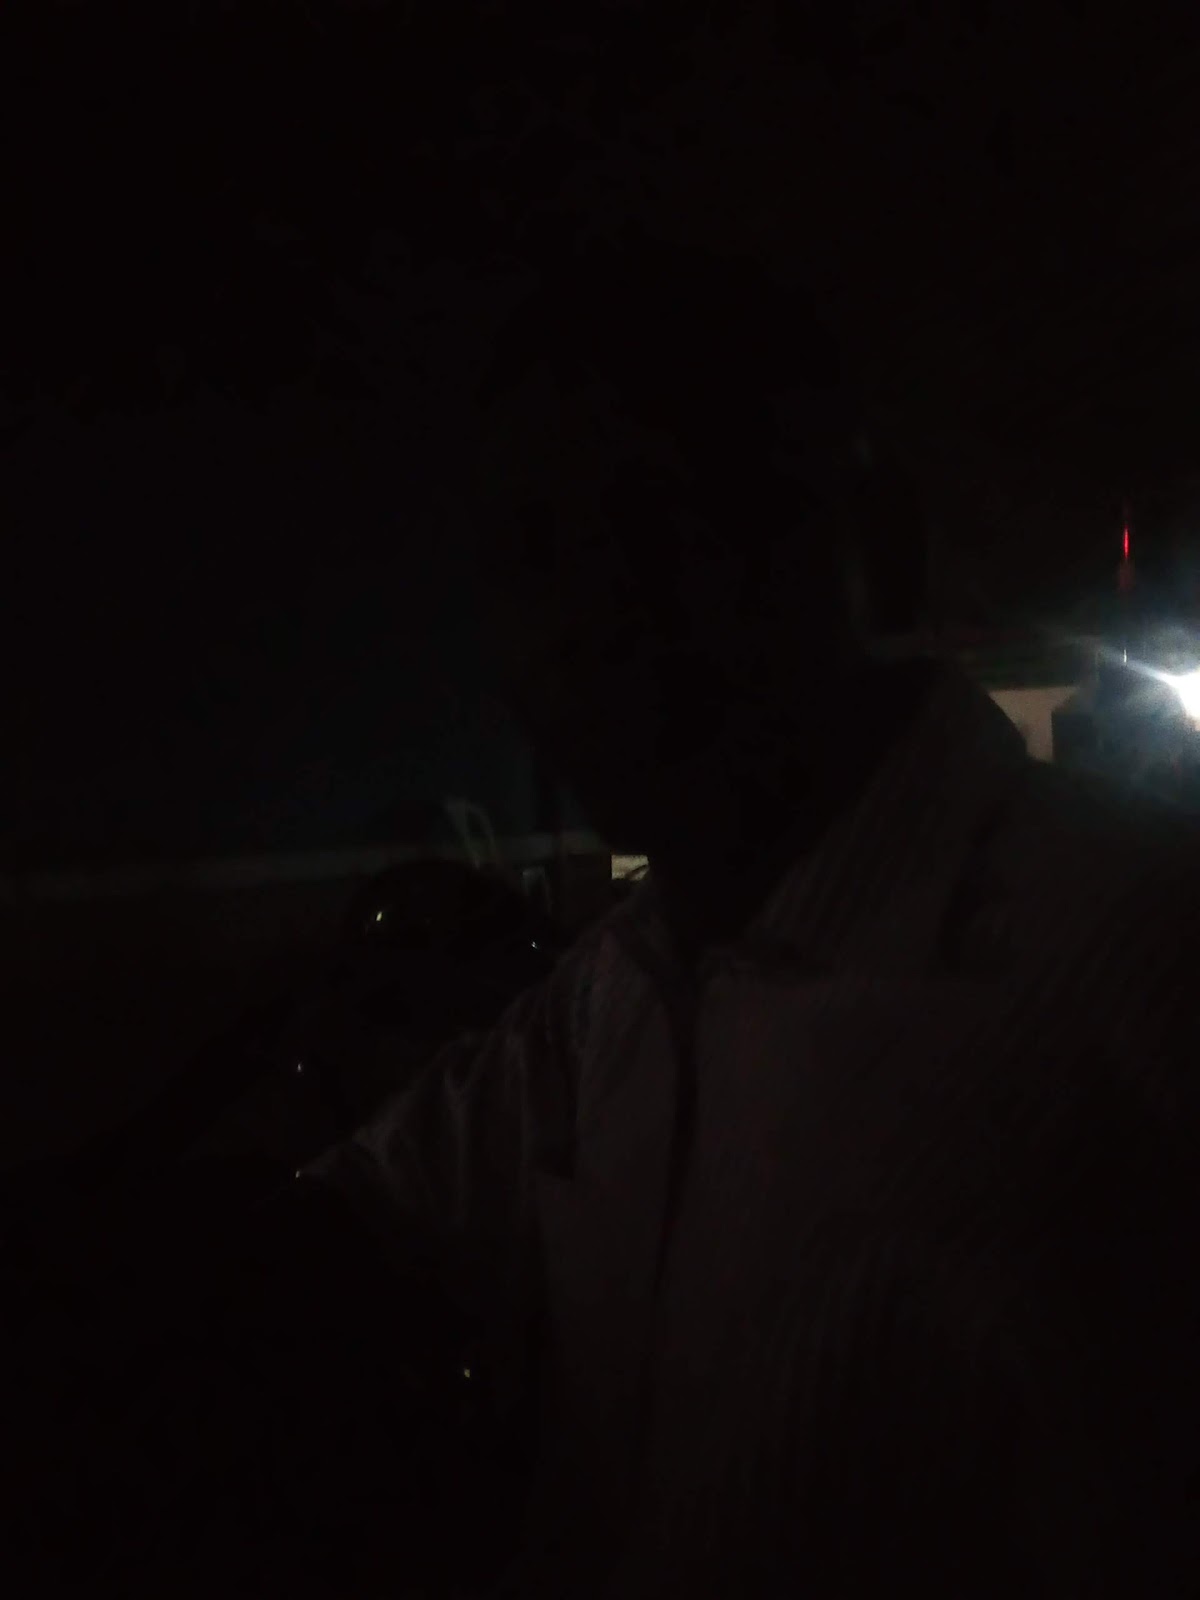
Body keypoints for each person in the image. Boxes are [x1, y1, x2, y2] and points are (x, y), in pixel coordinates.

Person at [301, 239, 1196, 1595]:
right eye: (535, 555)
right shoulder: (613, 998)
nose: (593, 617)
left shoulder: (1138, 970)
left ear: (869, 541)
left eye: (668, 523)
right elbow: (329, 1236)